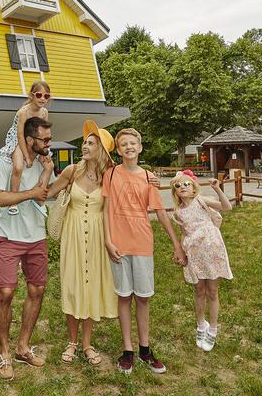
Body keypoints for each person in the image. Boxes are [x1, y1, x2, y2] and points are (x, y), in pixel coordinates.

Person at [103, 128, 187, 375]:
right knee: (124, 296)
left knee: (143, 297)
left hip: (142, 244)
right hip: (118, 245)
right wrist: (108, 241)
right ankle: (127, 351)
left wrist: (176, 243)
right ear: (118, 150)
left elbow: (160, 212)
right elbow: (105, 210)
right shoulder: (110, 175)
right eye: (123, 144)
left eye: (133, 143)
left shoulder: (149, 177)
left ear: (140, 148)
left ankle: (144, 349)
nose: (129, 147)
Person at [0, 116, 56, 381]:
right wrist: (27, 194)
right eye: (45, 139)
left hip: (36, 236)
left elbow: (45, 193)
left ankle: (22, 347)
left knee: (37, 290)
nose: (49, 144)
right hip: (8, 235)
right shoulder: (5, 162)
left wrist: (51, 173)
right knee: (6, 291)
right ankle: (4, 352)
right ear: (30, 139)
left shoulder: (44, 162)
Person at [46, 120, 119, 366]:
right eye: (85, 142)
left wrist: (150, 179)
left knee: (91, 287)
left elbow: (132, 184)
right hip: (73, 235)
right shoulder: (72, 171)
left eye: (91, 143)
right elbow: (47, 194)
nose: (85, 146)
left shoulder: (108, 176)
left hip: (98, 237)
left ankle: (86, 344)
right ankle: (72, 341)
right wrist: (42, 171)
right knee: (73, 285)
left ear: (102, 151)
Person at [170, 170, 233, 352]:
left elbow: (226, 207)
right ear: (175, 192)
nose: (182, 187)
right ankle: (200, 325)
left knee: (212, 291)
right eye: (178, 185)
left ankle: (213, 328)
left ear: (193, 188)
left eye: (186, 184)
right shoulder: (178, 212)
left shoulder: (201, 201)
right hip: (195, 252)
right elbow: (184, 233)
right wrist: (181, 251)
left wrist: (217, 189)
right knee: (199, 289)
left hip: (212, 249)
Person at [0, 80, 51, 215]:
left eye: (46, 96)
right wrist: (27, 156)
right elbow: (20, 135)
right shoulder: (23, 112)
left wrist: (45, 151)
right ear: (32, 95)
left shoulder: (44, 112)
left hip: (34, 140)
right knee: (18, 167)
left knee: (49, 166)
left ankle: (40, 198)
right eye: (39, 95)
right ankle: (13, 201)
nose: (43, 99)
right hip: (17, 139)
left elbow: (45, 132)